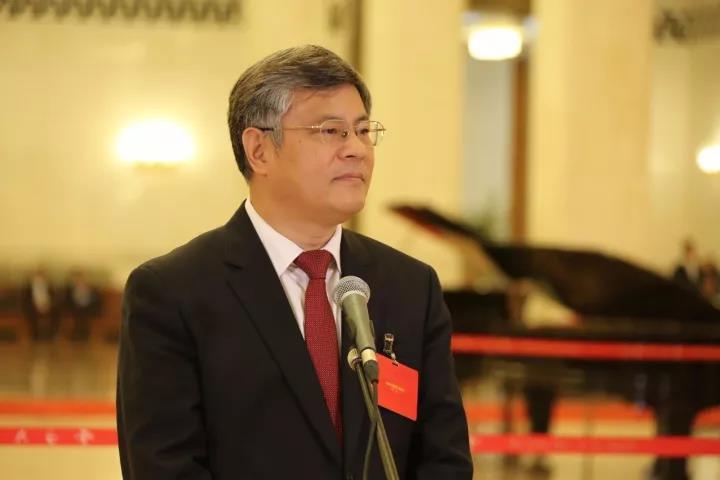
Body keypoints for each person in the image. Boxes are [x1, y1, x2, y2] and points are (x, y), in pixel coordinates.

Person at [116, 45, 472, 479]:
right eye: (331, 131)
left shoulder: (411, 286)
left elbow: (444, 459)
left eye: (363, 130)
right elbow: (164, 466)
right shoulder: (173, 293)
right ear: (259, 150)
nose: (357, 149)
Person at [21, 267, 60, 341]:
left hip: (48, 307)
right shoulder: (29, 288)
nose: (40, 279)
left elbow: (54, 298)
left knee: (57, 312)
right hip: (34, 307)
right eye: (38, 276)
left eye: (42, 276)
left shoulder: (49, 287)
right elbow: (26, 301)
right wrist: (37, 306)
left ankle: (53, 334)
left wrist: (48, 305)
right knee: (30, 313)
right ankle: (34, 335)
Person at [63, 269, 101, 342]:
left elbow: (94, 299)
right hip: (75, 308)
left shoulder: (90, 288)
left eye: (82, 278)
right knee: (77, 315)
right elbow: (68, 301)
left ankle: (84, 334)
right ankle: (77, 334)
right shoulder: (70, 289)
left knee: (86, 315)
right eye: (78, 278)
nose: (80, 280)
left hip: (87, 307)